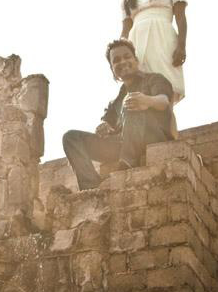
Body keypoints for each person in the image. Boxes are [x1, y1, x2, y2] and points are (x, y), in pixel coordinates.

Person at [62, 39, 174, 190]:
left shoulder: (154, 79)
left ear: (136, 60)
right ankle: (91, 186)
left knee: (131, 101)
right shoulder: (116, 101)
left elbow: (164, 101)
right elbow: (106, 123)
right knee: (71, 138)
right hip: (122, 144)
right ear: (112, 69)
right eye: (116, 60)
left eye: (127, 57)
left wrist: (147, 101)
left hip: (152, 137)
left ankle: (126, 164)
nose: (123, 62)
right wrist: (104, 127)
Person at [120, 0, 188, 105]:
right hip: (136, 45)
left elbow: (181, 18)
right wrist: (118, 55)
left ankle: (168, 121)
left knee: (165, 90)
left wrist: (181, 46)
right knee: (142, 93)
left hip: (163, 40)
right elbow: (125, 31)